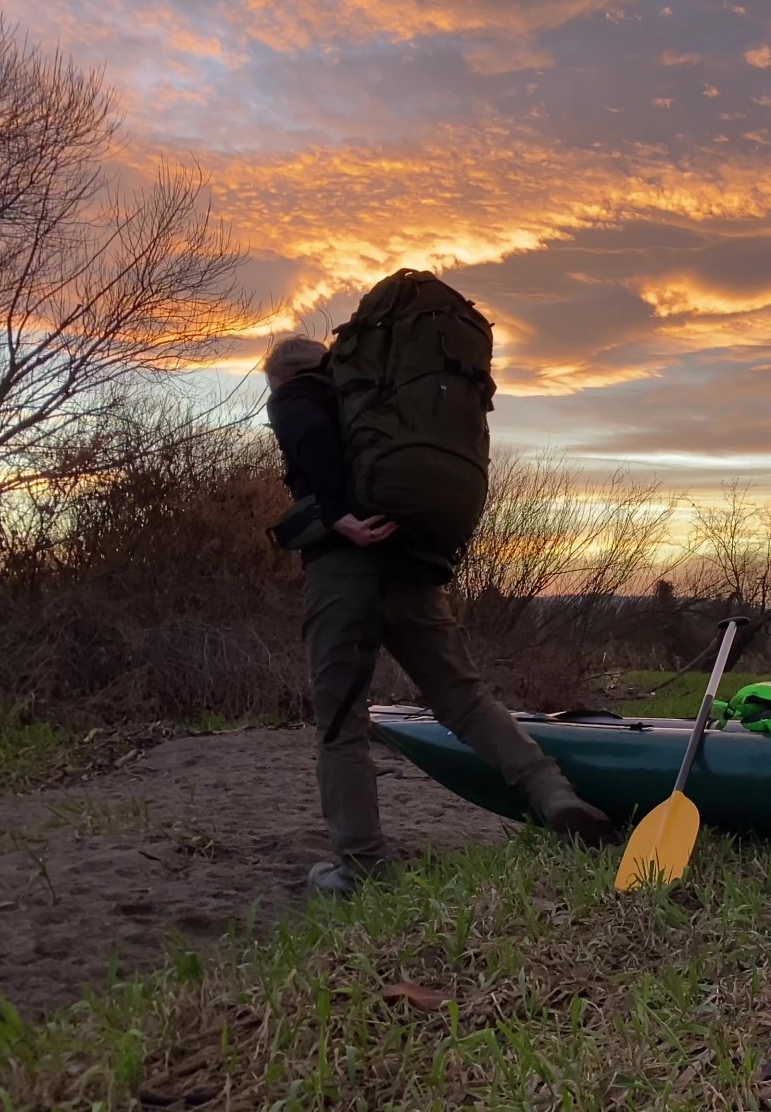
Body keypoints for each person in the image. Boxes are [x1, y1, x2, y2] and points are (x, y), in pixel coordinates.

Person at [260, 334, 611, 895]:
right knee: (465, 698)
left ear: (276, 375)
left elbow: (311, 441)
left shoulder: (295, 394)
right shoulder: (379, 399)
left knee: (341, 722)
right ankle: (554, 794)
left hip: (344, 570)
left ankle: (362, 867)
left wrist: (340, 514)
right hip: (413, 565)